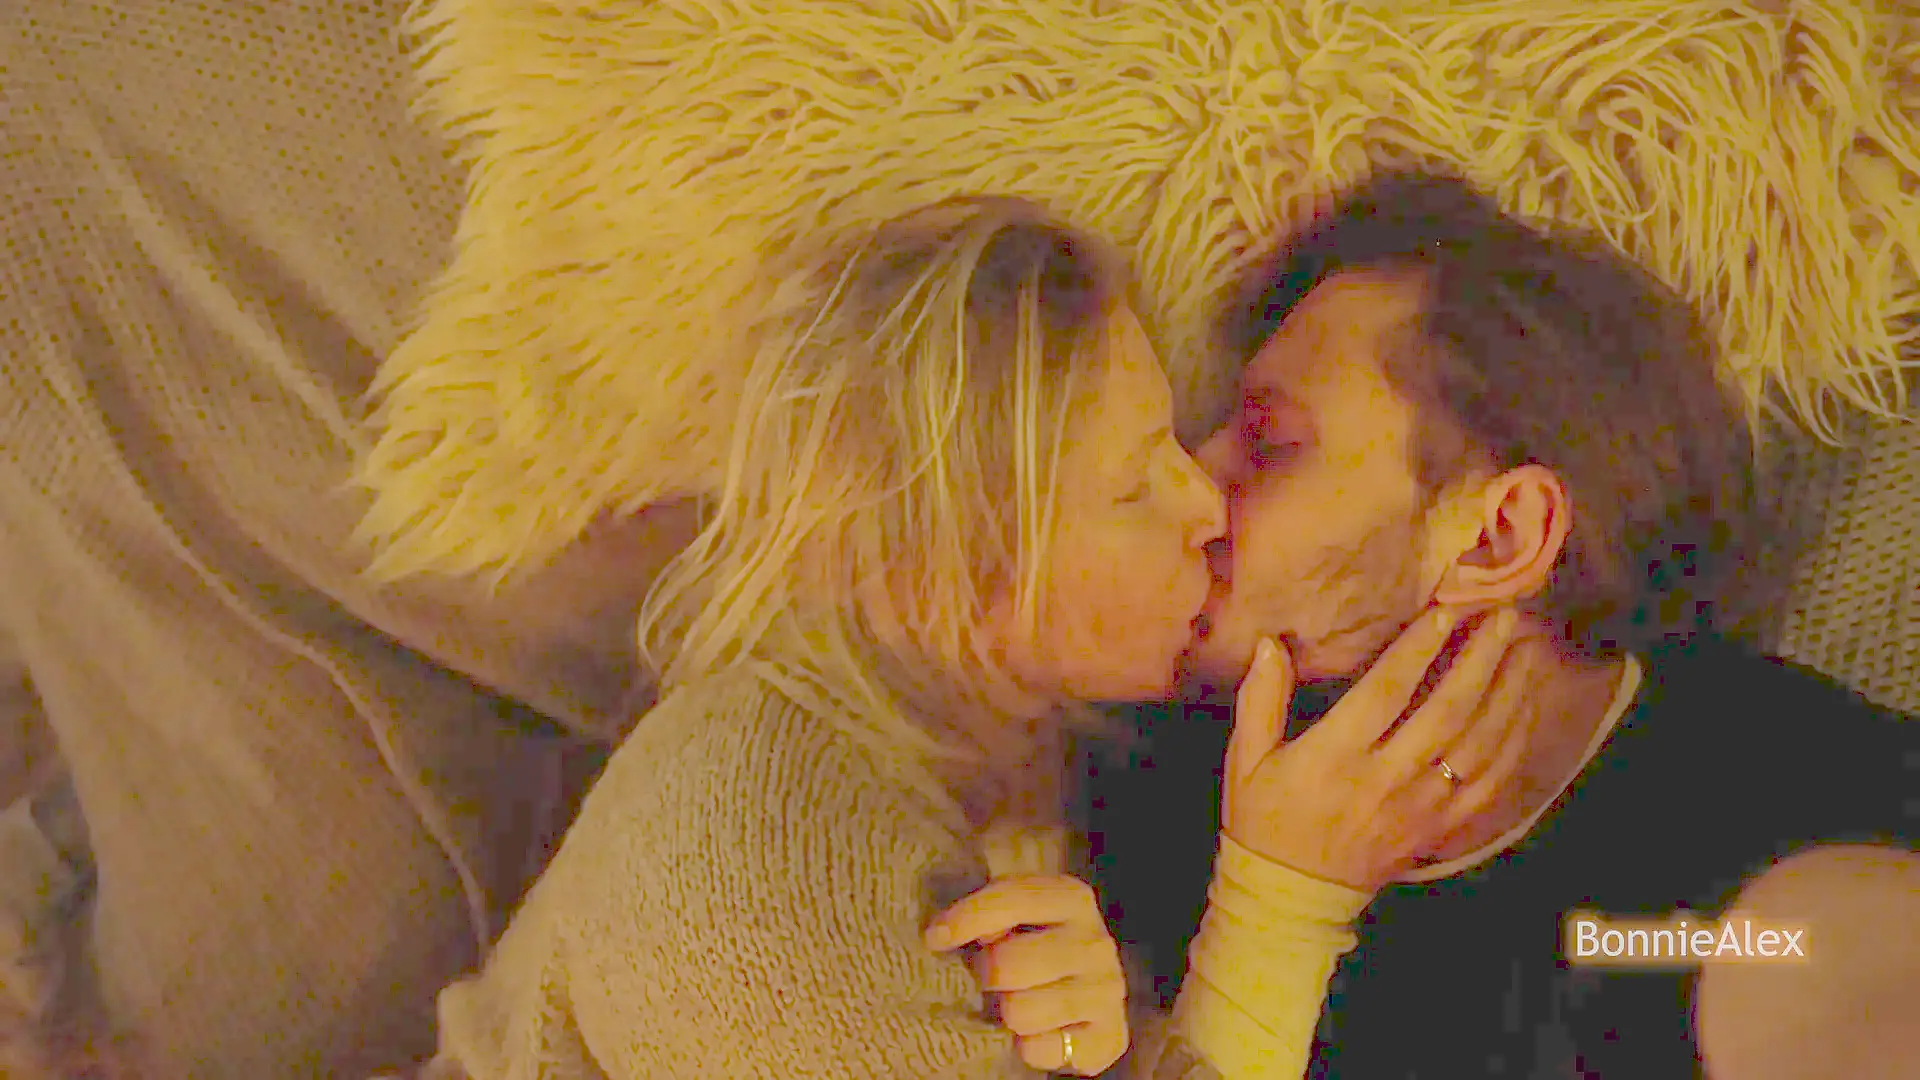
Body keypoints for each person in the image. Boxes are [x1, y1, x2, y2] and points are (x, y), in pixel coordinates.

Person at [406, 196, 1551, 1079]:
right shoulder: (760, 860)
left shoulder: (1020, 759)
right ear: (945, 561)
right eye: (1134, 484)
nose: (1206, 502)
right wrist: (1280, 904)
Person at [1087, 171, 1920, 1079]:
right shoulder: (1145, 778)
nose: (1193, 483)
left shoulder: (1805, 829)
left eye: (1267, 442)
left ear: (1499, 537)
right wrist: (1274, 903)